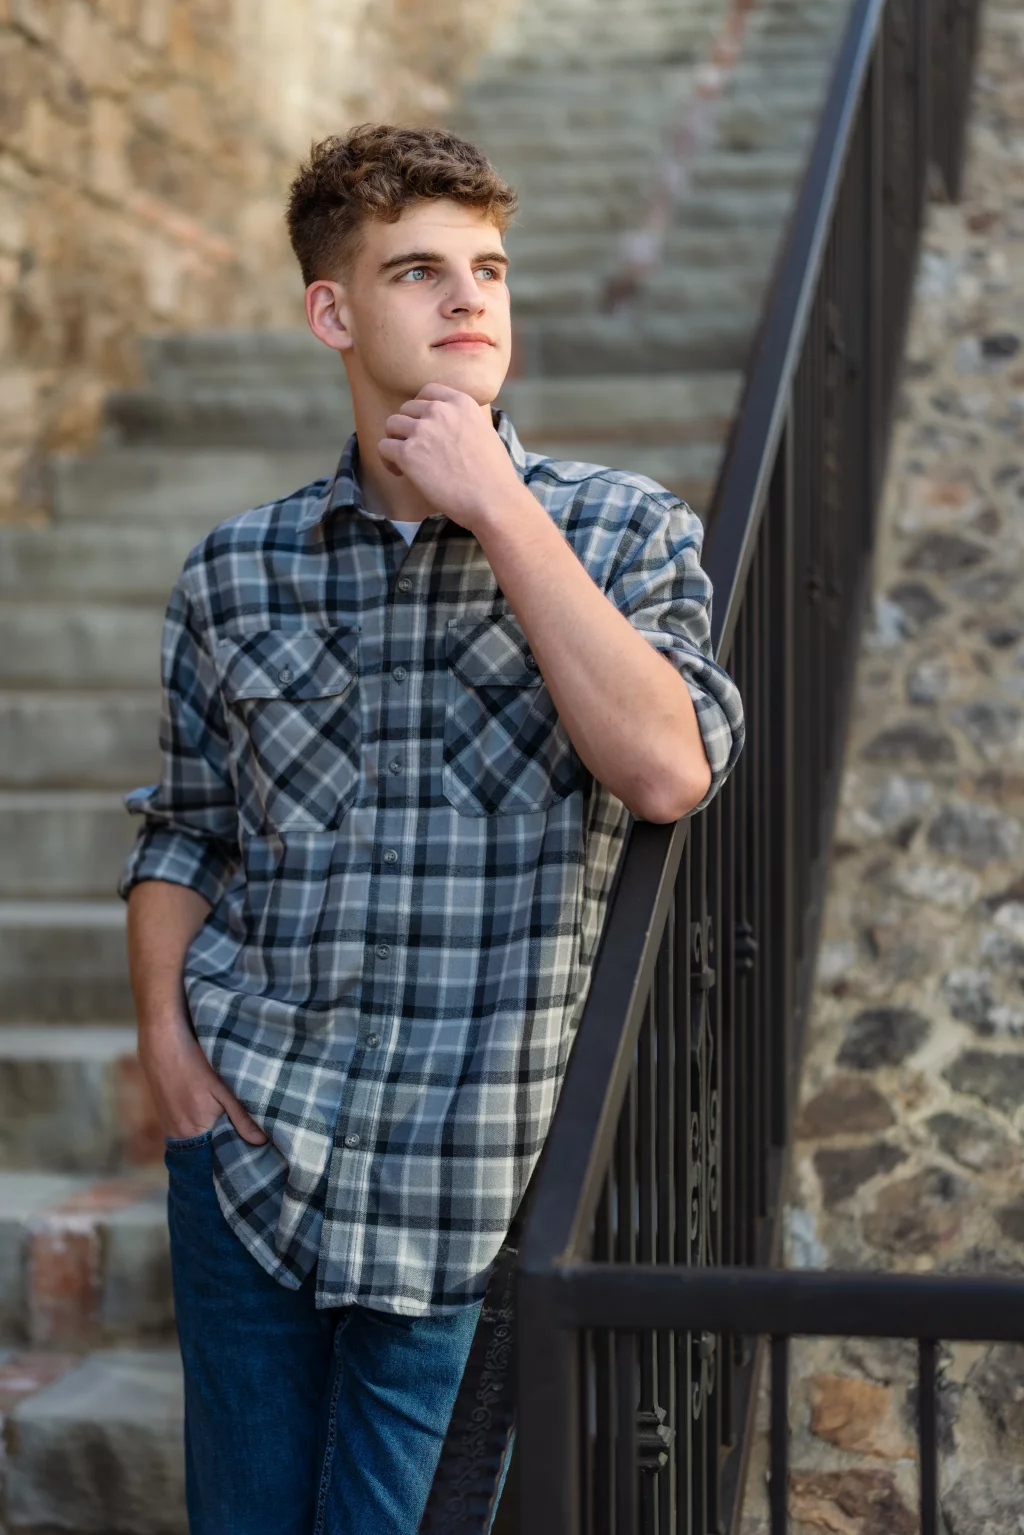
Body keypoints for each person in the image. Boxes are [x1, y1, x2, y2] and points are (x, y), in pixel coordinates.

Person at [119, 123, 745, 1535]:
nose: (470, 299)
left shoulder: (622, 532)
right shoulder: (233, 572)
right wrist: (166, 1040)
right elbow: (186, 827)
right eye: (419, 271)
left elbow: (666, 767)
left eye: (490, 269)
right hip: (251, 1163)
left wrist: (497, 505)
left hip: (464, 1188)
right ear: (331, 312)